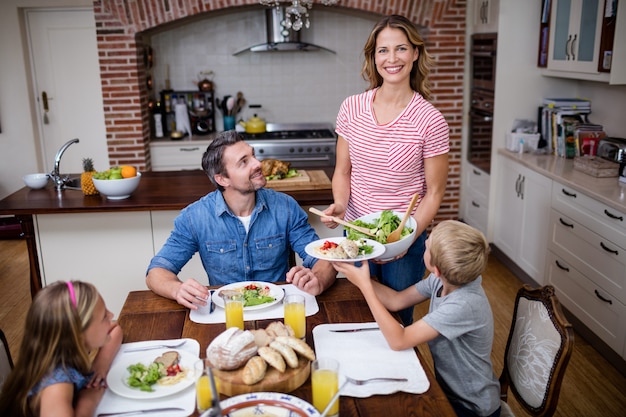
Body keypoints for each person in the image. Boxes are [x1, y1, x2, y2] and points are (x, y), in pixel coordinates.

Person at [321, 14, 450, 325]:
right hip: (358, 234)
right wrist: (339, 204)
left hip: (405, 241)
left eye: (401, 49)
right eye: (383, 50)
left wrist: (405, 237)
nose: (392, 59)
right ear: (373, 57)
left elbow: (434, 193)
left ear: (416, 53)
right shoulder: (351, 107)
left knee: (397, 319)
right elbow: (343, 172)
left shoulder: (431, 120)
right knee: (356, 312)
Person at [146, 130, 337, 309]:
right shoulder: (194, 217)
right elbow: (157, 272)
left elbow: (325, 260)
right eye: (244, 162)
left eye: (253, 155)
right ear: (222, 179)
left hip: (279, 310)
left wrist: (317, 279)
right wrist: (177, 289)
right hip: (226, 313)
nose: (257, 164)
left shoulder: (285, 207)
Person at [332, 220, 500, 417]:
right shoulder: (444, 279)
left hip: (472, 407)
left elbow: (399, 340)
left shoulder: (463, 305)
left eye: (427, 246)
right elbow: (396, 301)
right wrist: (359, 278)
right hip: (448, 391)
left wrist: (366, 287)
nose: (424, 244)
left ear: (436, 268)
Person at [0, 280, 123, 417]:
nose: (111, 315)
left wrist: (100, 365)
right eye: (104, 316)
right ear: (79, 333)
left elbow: (116, 328)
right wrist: (88, 402)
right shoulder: (56, 385)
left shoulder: (70, 347)